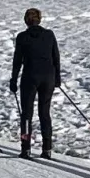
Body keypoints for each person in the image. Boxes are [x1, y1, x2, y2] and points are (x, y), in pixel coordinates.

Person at [10, 9, 61, 159]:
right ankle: (47, 149)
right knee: (45, 113)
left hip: (30, 77)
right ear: (40, 19)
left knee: (26, 114)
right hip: (48, 77)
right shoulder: (49, 35)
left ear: (26, 20)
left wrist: (13, 80)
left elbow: (17, 61)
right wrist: (57, 78)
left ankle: (26, 149)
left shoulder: (22, 37)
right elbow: (56, 57)